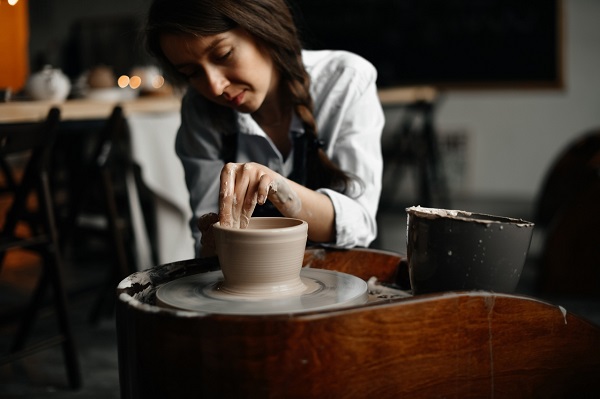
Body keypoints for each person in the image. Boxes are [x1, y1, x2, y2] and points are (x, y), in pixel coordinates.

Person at [145, 0, 384, 257]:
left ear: (263, 28)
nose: (215, 86)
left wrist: (281, 190)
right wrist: (213, 239)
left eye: (223, 55)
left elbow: (360, 224)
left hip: (337, 274)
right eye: (192, 72)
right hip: (249, 279)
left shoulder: (344, 81)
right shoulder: (200, 108)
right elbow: (207, 235)